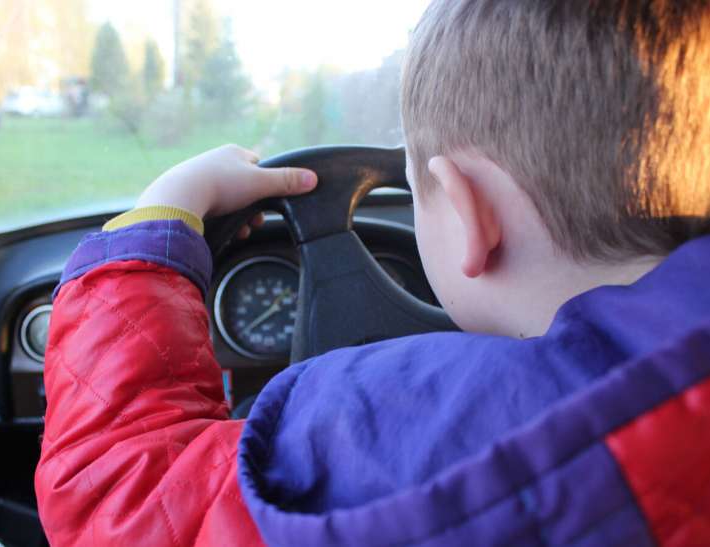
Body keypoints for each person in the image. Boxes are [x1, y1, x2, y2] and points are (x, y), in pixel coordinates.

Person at [35, 1, 710, 546]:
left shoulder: (378, 433)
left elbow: (119, 494)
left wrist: (162, 213)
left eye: (417, 191)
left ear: (471, 214)